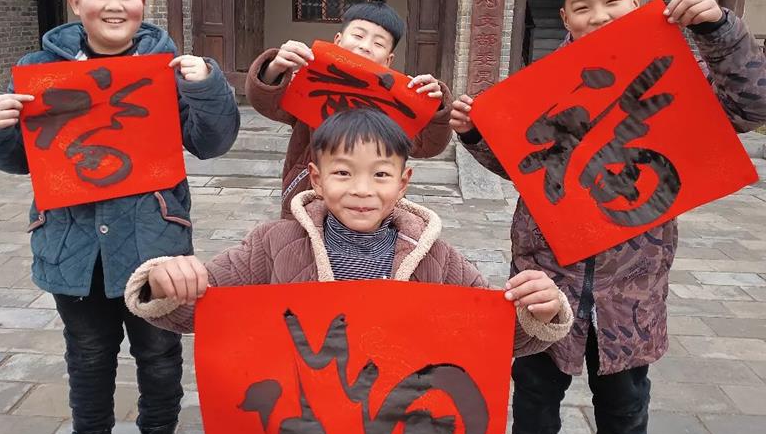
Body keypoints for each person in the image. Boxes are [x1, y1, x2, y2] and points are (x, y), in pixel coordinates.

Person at [449, 0, 766, 434]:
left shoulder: (675, 71)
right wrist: (475, 134)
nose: (598, 16)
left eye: (611, 0)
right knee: (534, 403)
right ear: (565, 18)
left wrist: (718, 31)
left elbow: (752, 107)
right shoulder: (542, 89)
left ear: (635, 1)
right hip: (548, 280)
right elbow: (520, 169)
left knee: (625, 410)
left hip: (632, 287)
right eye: (583, 7)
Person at [0, 0, 241, 434]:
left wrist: (207, 87)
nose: (114, 6)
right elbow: (18, 158)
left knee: (159, 353)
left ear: (142, 3)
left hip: (153, 243)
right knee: (88, 355)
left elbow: (212, 142)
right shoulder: (38, 70)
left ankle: (159, 431)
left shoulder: (169, 68)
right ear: (76, 2)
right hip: (72, 247)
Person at [124, 108, 574, 365]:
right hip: (301, 415)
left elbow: (496, 340)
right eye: (342, 173)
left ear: (403, 183)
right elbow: (199, 313)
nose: (362, 189)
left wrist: (542, 310)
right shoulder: (272, 245)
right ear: (316, 179)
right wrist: (165, 284)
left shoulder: (436, 258)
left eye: (380, 174)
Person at [245, 1, 453, 219]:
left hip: (369, 206)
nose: (365, 46)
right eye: (358, 35)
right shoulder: (311, 82)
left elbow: (428, 146)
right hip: (307, 200)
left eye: (378, 43)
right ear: (338, 40)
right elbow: (266, 103)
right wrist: (274, 69)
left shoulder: (396, 101)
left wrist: (434, 106)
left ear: (388, 60)